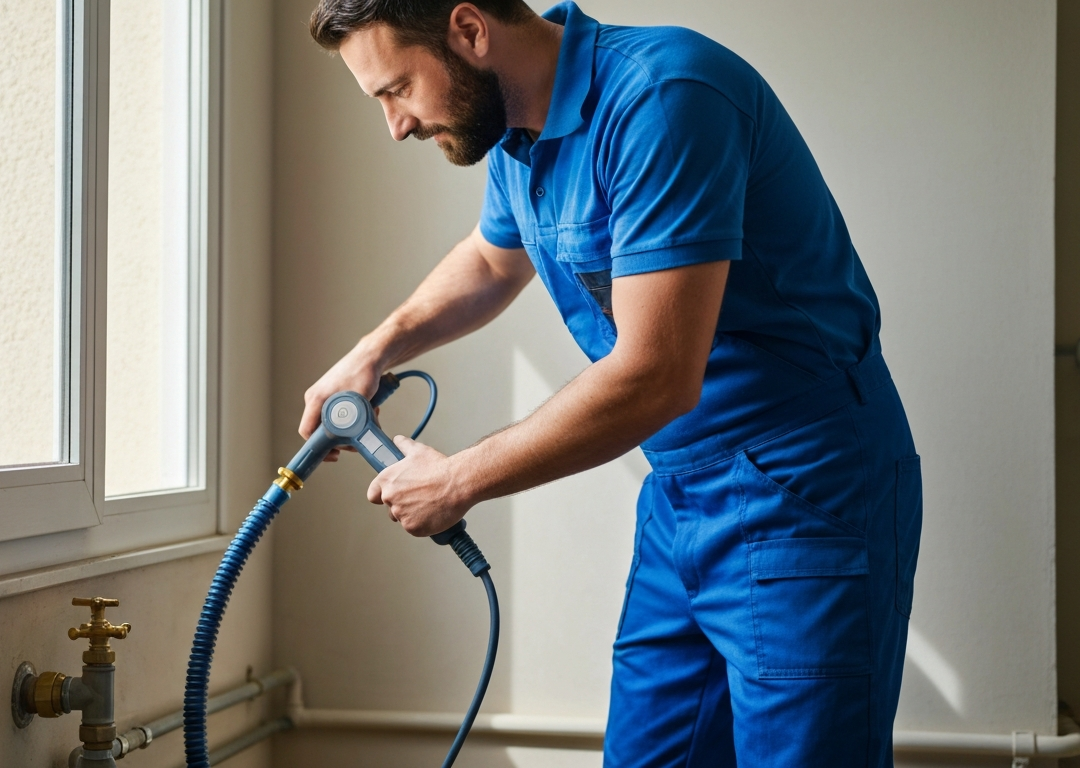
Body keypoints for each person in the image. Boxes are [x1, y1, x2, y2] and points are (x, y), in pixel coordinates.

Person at [300, 1, 922, 765]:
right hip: (679, 490)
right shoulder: (512, 131)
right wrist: (375, 350)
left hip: (804, 483)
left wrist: (457, 481)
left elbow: (657, 375)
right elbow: (492, 260)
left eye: (397, 89)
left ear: (469, 30)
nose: (395, 125)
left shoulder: (663, 98)